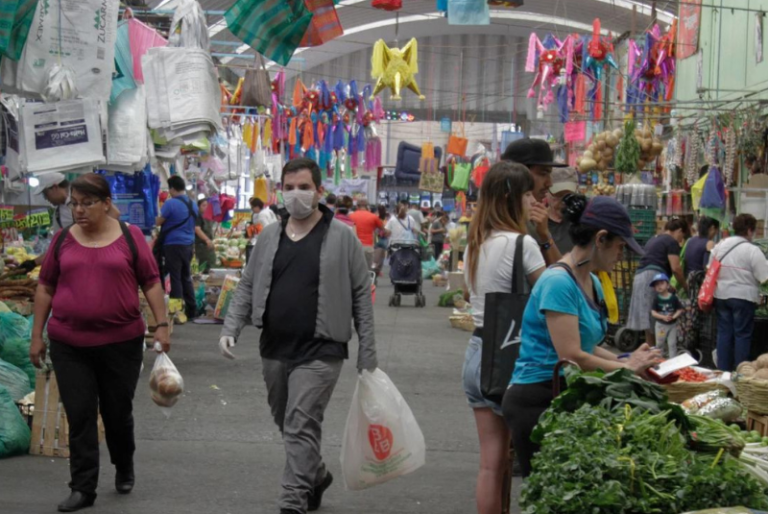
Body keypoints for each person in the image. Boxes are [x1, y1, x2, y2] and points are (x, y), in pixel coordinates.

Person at [218, 158, 378, 514]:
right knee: (286, 421)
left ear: (319, 191)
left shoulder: (342, 237)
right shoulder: (270, 235)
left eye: (304, 187)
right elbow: (247, 284)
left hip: (322, 349)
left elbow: (360, 298)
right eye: (289, 187)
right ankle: (316, 474)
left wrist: (368, 354)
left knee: (300, 421)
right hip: (274, 347)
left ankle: (292, 501)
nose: (296, 194)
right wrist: (232, 327)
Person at [29, 174, 170, 512]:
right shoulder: (62, 240)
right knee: (79, 415)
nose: (79, 210)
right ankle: (83, 487)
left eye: (87, 203)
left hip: (120, 342)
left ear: (107, 204)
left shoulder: (130, 237)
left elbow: (151, 282)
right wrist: (37, 336)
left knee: (117, 412)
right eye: (74, 203)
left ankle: (124, 465)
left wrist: (162, 324)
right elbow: (45, 287)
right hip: (69, 342)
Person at [503, 195, 658, 477]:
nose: (621, 255)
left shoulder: (593, 282)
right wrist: (625, 368)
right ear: (600, 239)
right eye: (620, 246)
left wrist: (629, 360)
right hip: (537, 398)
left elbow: (590, 346)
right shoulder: (558, 282)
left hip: (564, 393)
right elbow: (572, 355)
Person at [462, 162, 546, 514]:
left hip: (477, 356)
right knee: (529, 462)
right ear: (513, 198)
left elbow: (471, 297)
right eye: (529, 194)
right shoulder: (523, 244)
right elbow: (551, 295)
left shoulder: (475, 245)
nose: (533, 201)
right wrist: (545, 235)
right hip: (512, 358)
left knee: (490, 464)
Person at [712, 214, 768, 371]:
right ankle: (740, 372)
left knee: (724, 334)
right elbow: (764, 277)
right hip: (743, 297)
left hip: (721, 295)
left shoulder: (721, 245)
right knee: (742, 334)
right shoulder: (752, 250)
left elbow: (709, 267)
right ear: (750, 230)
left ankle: (723, 372)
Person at [501, 137, 568, 265]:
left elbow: (562, 278)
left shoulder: (533, 221)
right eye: (543, 174)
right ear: (519, 173)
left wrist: (545, 236)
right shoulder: (504, 226)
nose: (550, 183)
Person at [626, 218, 688, 346]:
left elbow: (654, 260)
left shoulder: (654, 238)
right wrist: (686, 286)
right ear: (680, 231)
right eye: (683, 236)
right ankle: (656, 353)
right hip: (652, 277)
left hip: (640, 276)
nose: (681, 240)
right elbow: (676, 268)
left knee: (649, 318)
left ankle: (652, 351)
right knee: (656, 316)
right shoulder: (671, 241)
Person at [156, 176, 199, 324]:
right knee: (186, 277)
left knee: (174, 277)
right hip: (188, 245)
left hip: (173, 244)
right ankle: (192, 309)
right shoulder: (193, 204)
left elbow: (159, 221)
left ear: (172, 188)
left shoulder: (171, 203)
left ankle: (177, 312)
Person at [650, 273, 685, 358]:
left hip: (672, 325)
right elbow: (653, 312)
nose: (659, 286)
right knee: (659, 343)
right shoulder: (656, 299)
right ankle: (658, 362)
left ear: (668, 285)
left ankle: (672, 363)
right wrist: (663, 317)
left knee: (672, 344)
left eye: (662, 283)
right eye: (656, 284)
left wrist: (673, 317)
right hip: (660, 325)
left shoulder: (673, 298)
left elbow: (680, 309)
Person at [349, 198, 389, 270]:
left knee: (354, 270)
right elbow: (383, 229)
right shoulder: (373, 217)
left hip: (354, 247)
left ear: (357, 206)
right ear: (367, 206)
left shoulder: (351, 216)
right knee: (367, 270)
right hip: (368, 247)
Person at [546, 167, 579, 254]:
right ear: (547, 193)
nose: (564, 202)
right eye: (558, 195)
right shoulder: (538, 223)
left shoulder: (580, 223)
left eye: (569, 196)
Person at [194, 199, 216, 273]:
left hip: (208, 246)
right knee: (202, 267)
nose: (206, 207)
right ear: (199, 207)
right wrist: (207, 240)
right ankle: (202, 282)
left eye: (207, 205)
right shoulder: (198, 216)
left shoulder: (208, 216)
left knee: (210, 266)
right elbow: (197, 229)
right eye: (203, 205)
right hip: (201, 246)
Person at [373, 204, 391, 274]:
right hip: (384, 238)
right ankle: (379, 270)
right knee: (382, 255)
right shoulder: (387, 217)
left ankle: (374, 267)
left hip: (377, 237)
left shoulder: (375, 217)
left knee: (376, 255)